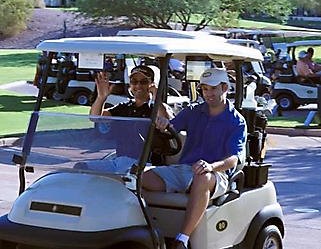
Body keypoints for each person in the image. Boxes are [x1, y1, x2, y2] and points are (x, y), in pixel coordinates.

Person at [142, 67, 247, 249]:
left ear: (225, 88)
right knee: (140, 177)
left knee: (202, 177)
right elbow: (171, 126)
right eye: (205, 89)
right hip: (185, 169)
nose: (208, 94)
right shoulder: (193, 111)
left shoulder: (236, 121)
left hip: (216, 174)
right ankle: (144, 231)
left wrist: (211, 167)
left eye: (213, 88)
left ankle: (182, 239)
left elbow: (233, 159)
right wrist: (163, 122)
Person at [78, 65, 173, 172]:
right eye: (134, 81)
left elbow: (164, 121)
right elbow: (95, 118)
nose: (138, 85)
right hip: (120, 162)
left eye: (143, 82)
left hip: (145, 166)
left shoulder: (158, 107)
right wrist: (101, 98)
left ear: (152, 84)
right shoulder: (124, 107)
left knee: (127, 175)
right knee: (81, 167)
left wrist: (156, 97)